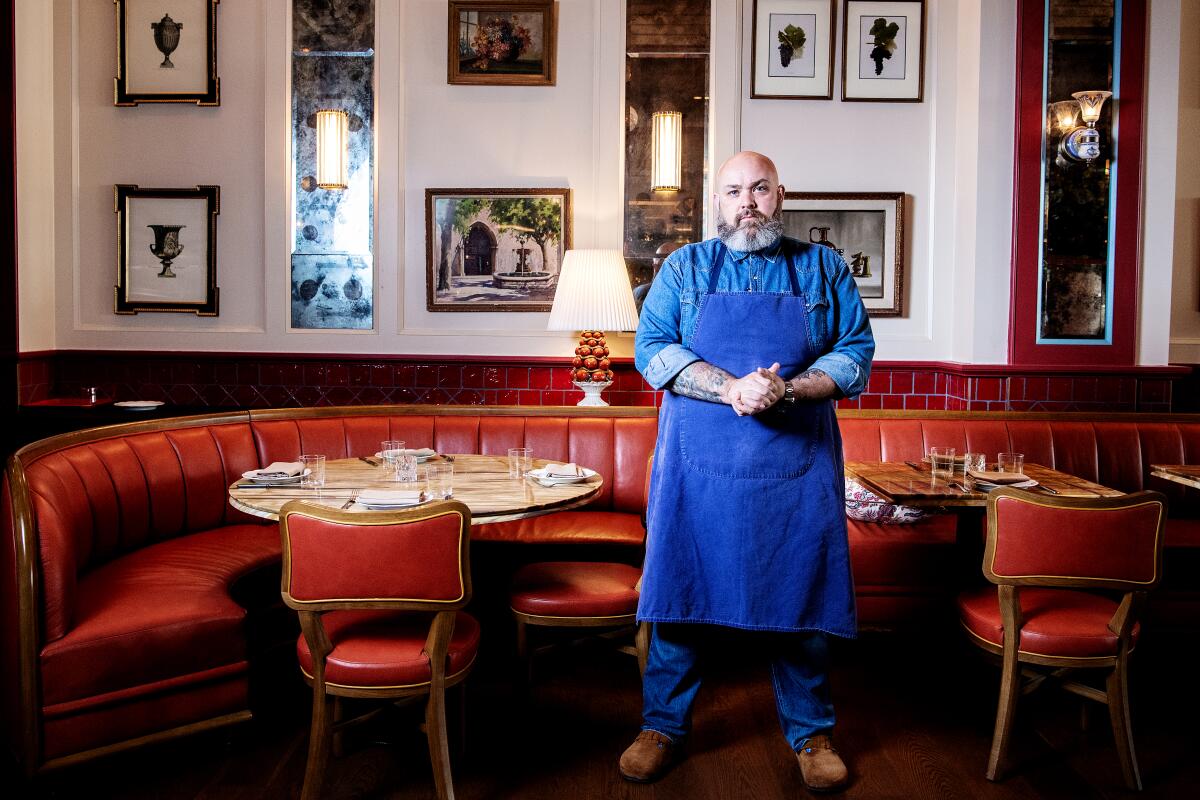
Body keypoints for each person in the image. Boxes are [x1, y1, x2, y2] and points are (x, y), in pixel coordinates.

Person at [621, 151, 874, 793]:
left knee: (801, 598)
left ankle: (811, 733)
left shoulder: (823, 268)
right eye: (734, 191)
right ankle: (662, 728)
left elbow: (855, 355)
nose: (748, 202)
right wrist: (732, 388)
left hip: (796, 463)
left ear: (780, 194)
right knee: (680, 597)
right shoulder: (684, 268)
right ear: (717, 201)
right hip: (697, 466)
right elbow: (651, 352)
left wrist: (788, 391)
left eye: (759, 188)